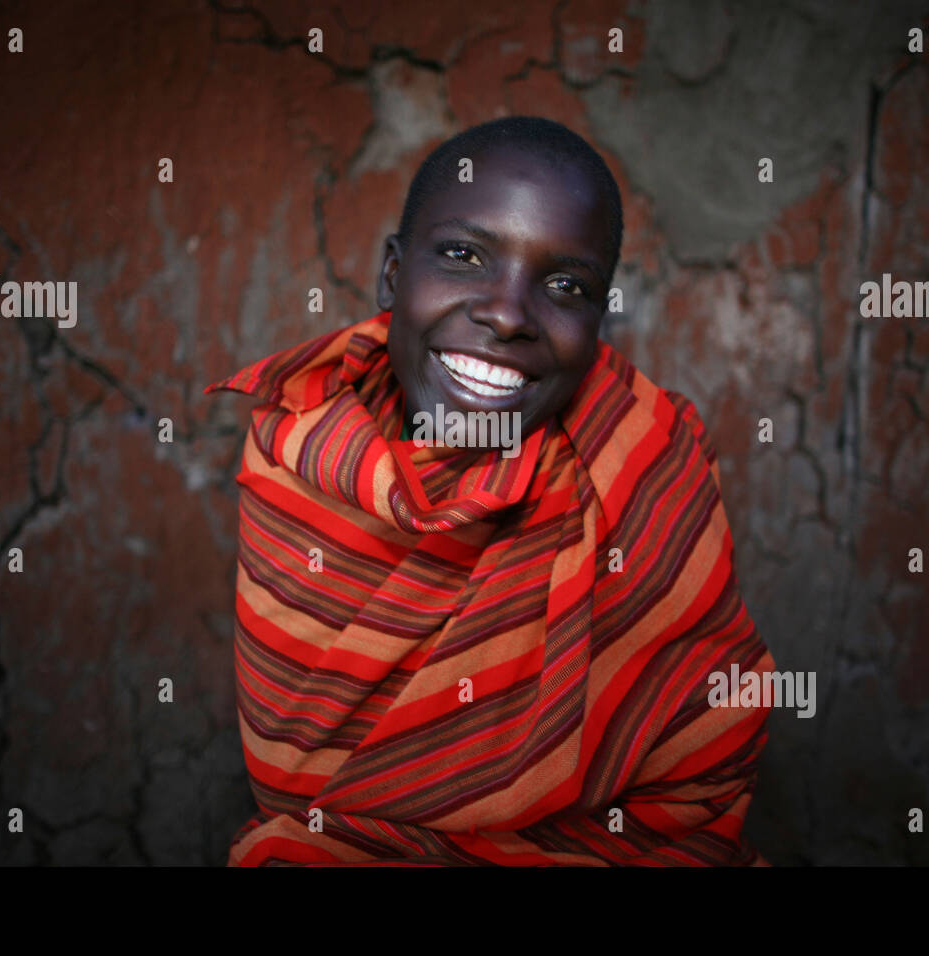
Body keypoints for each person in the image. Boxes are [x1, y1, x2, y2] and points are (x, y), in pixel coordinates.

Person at [205, 115, 776, 865]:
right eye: (464, 256)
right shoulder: (298, 459)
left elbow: (697, 779)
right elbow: (292, 779)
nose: (508, 314)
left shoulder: (642, 470)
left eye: (565, 285)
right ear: (392, 274)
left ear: (599, 320)